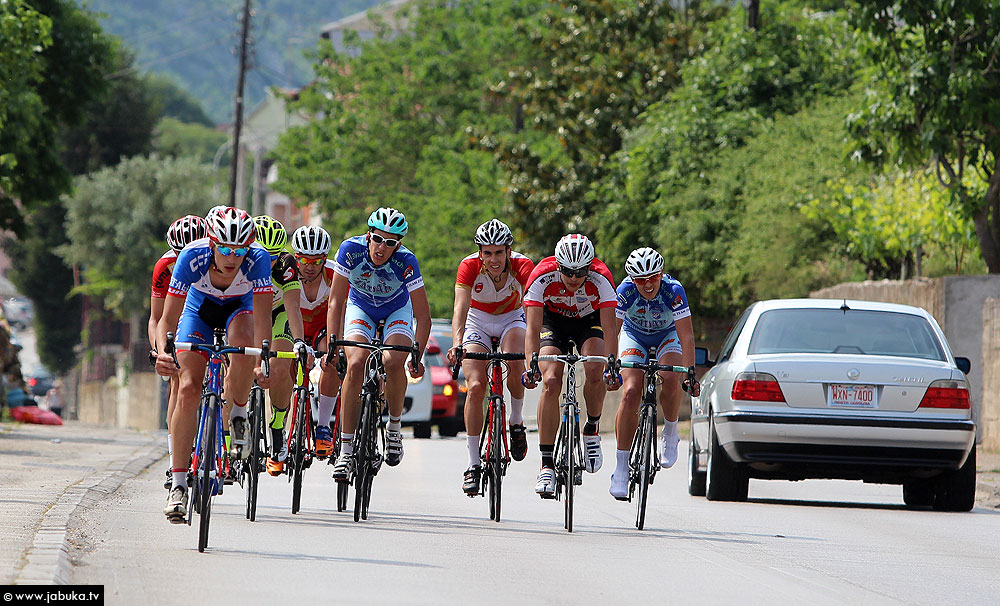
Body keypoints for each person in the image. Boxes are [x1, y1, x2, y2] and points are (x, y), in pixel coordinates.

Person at [154, 207, 273, 523]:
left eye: (239, 250)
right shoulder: (191, 257)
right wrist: (163, 353)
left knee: (244, 341)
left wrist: (262, 361)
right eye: (225, 249)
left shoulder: (259, 259)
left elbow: (263, 320)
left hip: (240, 310)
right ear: (211, 244)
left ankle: (238, 412)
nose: (232, 257)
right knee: (188, 389)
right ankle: (178, 485)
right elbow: (167, 319)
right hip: (199, 311)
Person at [328, 207, 429, 480]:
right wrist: (332, 343)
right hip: (360, 307)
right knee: (356, 363)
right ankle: (346, 451)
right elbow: (335, 301)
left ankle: (394, 429)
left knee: (393, 361)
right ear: (368, 235)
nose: (382, 247)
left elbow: (423, 316)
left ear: (399, 245)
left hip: (396, 310)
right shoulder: (350, 250)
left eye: (390, 243)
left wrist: (416, 356)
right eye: (377, 239)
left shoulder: (407, 261)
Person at [522, 233, 620, 498]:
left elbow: (611, 328)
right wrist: (530, 365)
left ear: (590, 267)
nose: (574, 278)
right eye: (567, 272)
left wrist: (612, 366)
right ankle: (546, 465)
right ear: (558, 265)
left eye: (581, 272)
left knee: (595, 368)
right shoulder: (542, 275)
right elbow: (532, 329)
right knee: (551, 380)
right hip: (552, 322)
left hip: (588, 321)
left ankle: (592, 428)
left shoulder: (601, 277)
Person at [446, 219, 534, 496]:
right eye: (487, 253)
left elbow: (533, 308)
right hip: (478, 321)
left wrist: (534, 349)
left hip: (511, 318)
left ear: (509, 251)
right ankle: (473, 464)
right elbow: (460, 308)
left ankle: (516, 421)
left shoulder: (523, 265)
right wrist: (457, 343)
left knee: (515, 360)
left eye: (499, 252)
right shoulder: (468, 266)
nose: (493, 259)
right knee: (475, 386)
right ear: (480, 253)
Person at [609, 248, 700, 499]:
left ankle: (670, 430)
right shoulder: (624, 291)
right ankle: (621, 468)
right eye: (641, 280)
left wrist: (689, 374)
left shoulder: (674, 290)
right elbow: (612, 331)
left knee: (670, 376)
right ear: (632, 280)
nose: (648, 284)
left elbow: (686, 336)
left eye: (653, 278)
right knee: (630, 391)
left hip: (667, 335)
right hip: (634, 335)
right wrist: (610, 366)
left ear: (661, 274)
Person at [149, 214, 208, 488]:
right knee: (176, 380)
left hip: (205, 314)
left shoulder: (215, 259)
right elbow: (156, 318)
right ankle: (176, 460)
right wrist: (160, 350)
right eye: (179, 254)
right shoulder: (165, 266)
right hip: (176, 319)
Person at [252, 215, 308, 476]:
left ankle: (277, 424)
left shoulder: (286, 264)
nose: (269, 262)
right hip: (247, 314)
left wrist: (299, 342)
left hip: (278, 314)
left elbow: (293, 306)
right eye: (263, 256)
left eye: (273, 256)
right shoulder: (238, 261)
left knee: (280, 365)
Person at [290, 224, 341, 458]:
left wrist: (335, 347)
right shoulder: (286, 272)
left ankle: (323, 427)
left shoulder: (334, 274)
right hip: (294, 327)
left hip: (322, 326)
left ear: (325, 259)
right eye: (304, 260)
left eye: (317, 261)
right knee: (286, 366)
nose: (310, 267)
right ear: (295, 257)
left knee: (332, 360)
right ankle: (285, 427)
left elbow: (340, 310)